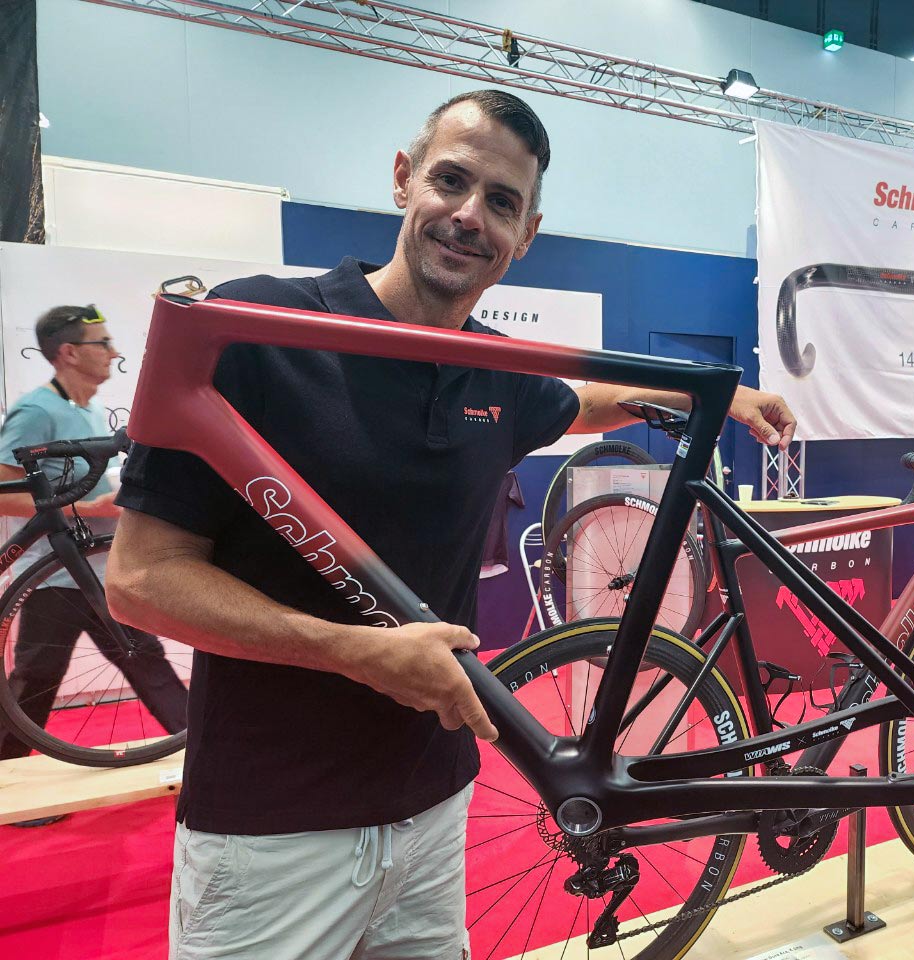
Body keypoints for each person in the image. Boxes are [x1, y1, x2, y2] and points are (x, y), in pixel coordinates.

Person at [105, 89, 797, 960]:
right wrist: (351, 651)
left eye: (501, 202)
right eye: (451, 181)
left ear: (525, 234)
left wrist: (719, 395)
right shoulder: (260, 331)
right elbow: (140, 579)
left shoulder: (492, 371)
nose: (470, 216)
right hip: (272, 831)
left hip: (436, 808)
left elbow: (581, 403)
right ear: (404, 179)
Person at [0, 306, 187, 777]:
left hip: (99, 571)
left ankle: (207, 755)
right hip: (54, 578)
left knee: (147, 662)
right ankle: (6, 781)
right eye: (102, 343)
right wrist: (87, 507)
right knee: (36, 683)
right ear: (68, 352)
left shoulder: (89, 409)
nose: (114, 352)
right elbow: (3, 492)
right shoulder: (36, 410)